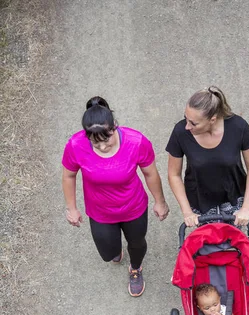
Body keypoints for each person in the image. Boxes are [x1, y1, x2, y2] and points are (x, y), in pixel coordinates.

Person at [62, 96, 169, 297]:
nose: (102, 147)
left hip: (133, 206)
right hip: (100, 211)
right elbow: (68, 175)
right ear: (86, 136)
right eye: (95, 142)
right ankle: (116, 249)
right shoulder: (76, 145)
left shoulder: (136, 142)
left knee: (137, 244)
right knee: (109, 253)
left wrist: (160, 201)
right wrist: (71, 208)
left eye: (106, 140)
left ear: (114, 127)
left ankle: (135, 269)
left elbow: (150, 173)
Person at [166, 86, 249, 228]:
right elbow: (173, 174)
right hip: (199, 199)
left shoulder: (238, 127)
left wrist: (246, 208)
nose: (187, 126)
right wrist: (187, 212)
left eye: (193, 123)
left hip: (233, 198)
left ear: (212, 119)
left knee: (231, 240)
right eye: (186, 119)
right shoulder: (180, 132)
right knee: (208, 241)